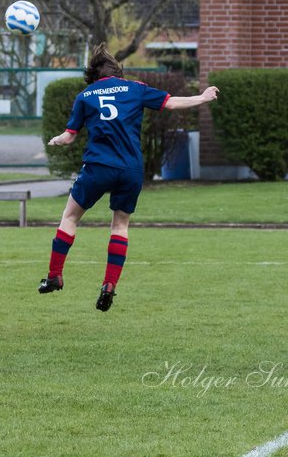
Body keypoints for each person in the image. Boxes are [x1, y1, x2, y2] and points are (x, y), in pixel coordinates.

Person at [40, 44, 219, 311]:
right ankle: (109, 284)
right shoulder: (135, 88)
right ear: (118, 73)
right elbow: (171, 103)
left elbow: (69, 137)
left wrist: (54, 141)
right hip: (131, 170)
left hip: (99, 167)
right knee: (120, 226)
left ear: (94, 75)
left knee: (70, 217)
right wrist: (202, 97)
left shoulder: (85, 95)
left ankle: (55, 275)